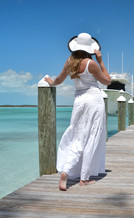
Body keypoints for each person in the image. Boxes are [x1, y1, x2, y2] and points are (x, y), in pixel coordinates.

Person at [45, 33, 111, 191]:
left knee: (78, 137)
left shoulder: (70, 62)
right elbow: (107, 81)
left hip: (79, 102)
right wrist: (100, 60)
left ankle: (67, 171)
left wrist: (50, 82)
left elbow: (59, 80)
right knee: (92, 138)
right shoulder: (91, 63)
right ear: (90, 48)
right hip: (94, 101)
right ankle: (84, 179)